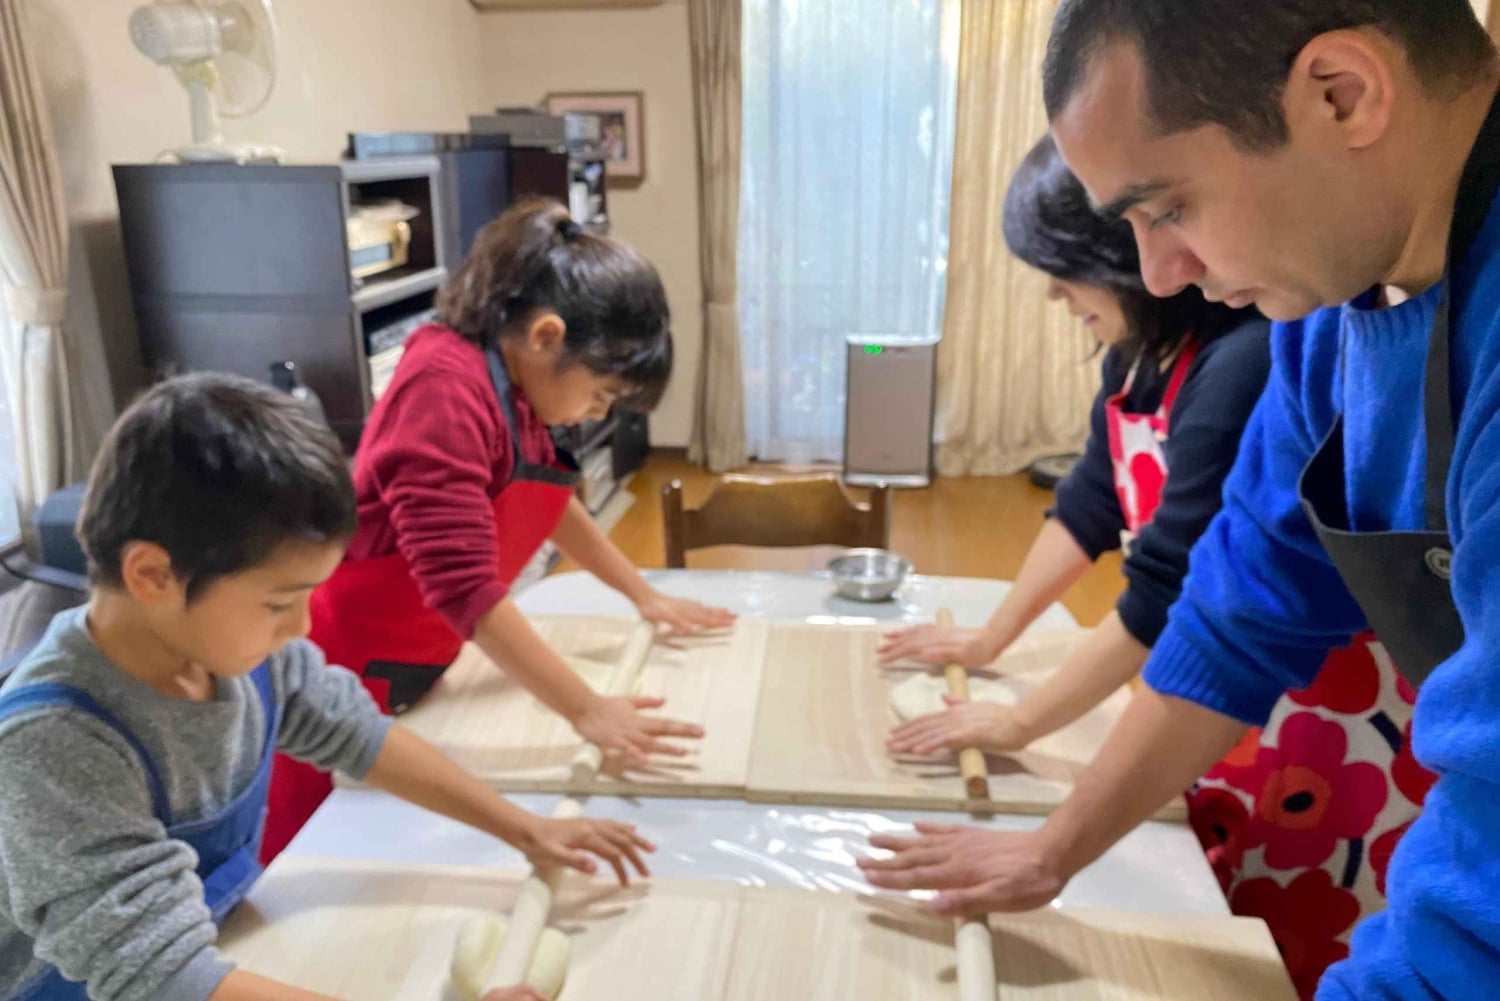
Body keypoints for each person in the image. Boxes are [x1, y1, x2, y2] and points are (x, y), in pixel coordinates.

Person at [860, 3, 1500, 998]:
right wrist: (1052, 850)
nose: (1160, 272)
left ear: (1344, 93)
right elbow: (1239, 612)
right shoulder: (1331, 317)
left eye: (1170, 208)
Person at [0, 375, 653, 1001]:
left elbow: (357, 732)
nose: (304, 625)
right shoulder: (54, 740)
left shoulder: (238, 654)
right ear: (152, 574)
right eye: (281, 600)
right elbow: (158, 975)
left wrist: (526, 830)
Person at [264, 199, 734, 860]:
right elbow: (465, 589)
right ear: (546, 336)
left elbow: (549, 499)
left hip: (418, 660)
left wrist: (644, 594)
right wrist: (587, 709)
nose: (593, 412)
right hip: (346, 663)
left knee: (396, 839)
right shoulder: (444, 391)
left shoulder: (512, 380)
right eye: (600, 393)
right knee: (322, 856)